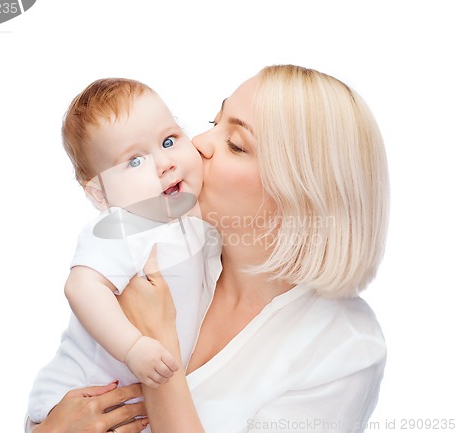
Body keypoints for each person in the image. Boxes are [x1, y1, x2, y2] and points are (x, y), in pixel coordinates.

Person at [26, 64, 389, 433]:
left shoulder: (345, 349)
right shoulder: (172, 244)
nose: (198, 143)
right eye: (214, 123)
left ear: (303, 191)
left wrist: (158, 344)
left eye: (235, 144)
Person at [26, 78, 222, 424]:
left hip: (138, 404)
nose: (164, 163)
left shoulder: (190, 217)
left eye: (169, 140)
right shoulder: (122, 226)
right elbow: (81, 287)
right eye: (134, 161)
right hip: (80, 390)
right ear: (100, 194)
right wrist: (133, 348)